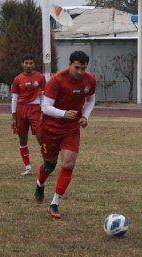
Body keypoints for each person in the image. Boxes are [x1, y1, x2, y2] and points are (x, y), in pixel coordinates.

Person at [34, 50, 96, 219]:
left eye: (83, 68)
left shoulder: (89, 79)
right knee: (49, 165)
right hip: (50, 128)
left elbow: (90, 99)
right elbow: (45, 107)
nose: (80, 72)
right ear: (69, 64)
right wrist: (63, 113)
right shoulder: (57, 80)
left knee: (68, 163)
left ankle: (54, 203)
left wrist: (85, 116)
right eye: (77, 68)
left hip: (71, 129)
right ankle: (40, 184)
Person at [10, 54, 45, 176]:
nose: (28, 65)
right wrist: (13, 117)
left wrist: (43, 111)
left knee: (41, 136)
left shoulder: (40, 78)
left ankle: (46, 163)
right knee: (22, 138)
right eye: (26, 63)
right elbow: (14, 98)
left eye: (31, 63)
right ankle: (28, 167)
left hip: (35, 109)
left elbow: (43, 96)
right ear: (22, 64)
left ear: (34, 64)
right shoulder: (17, 79)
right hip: (21, 110)